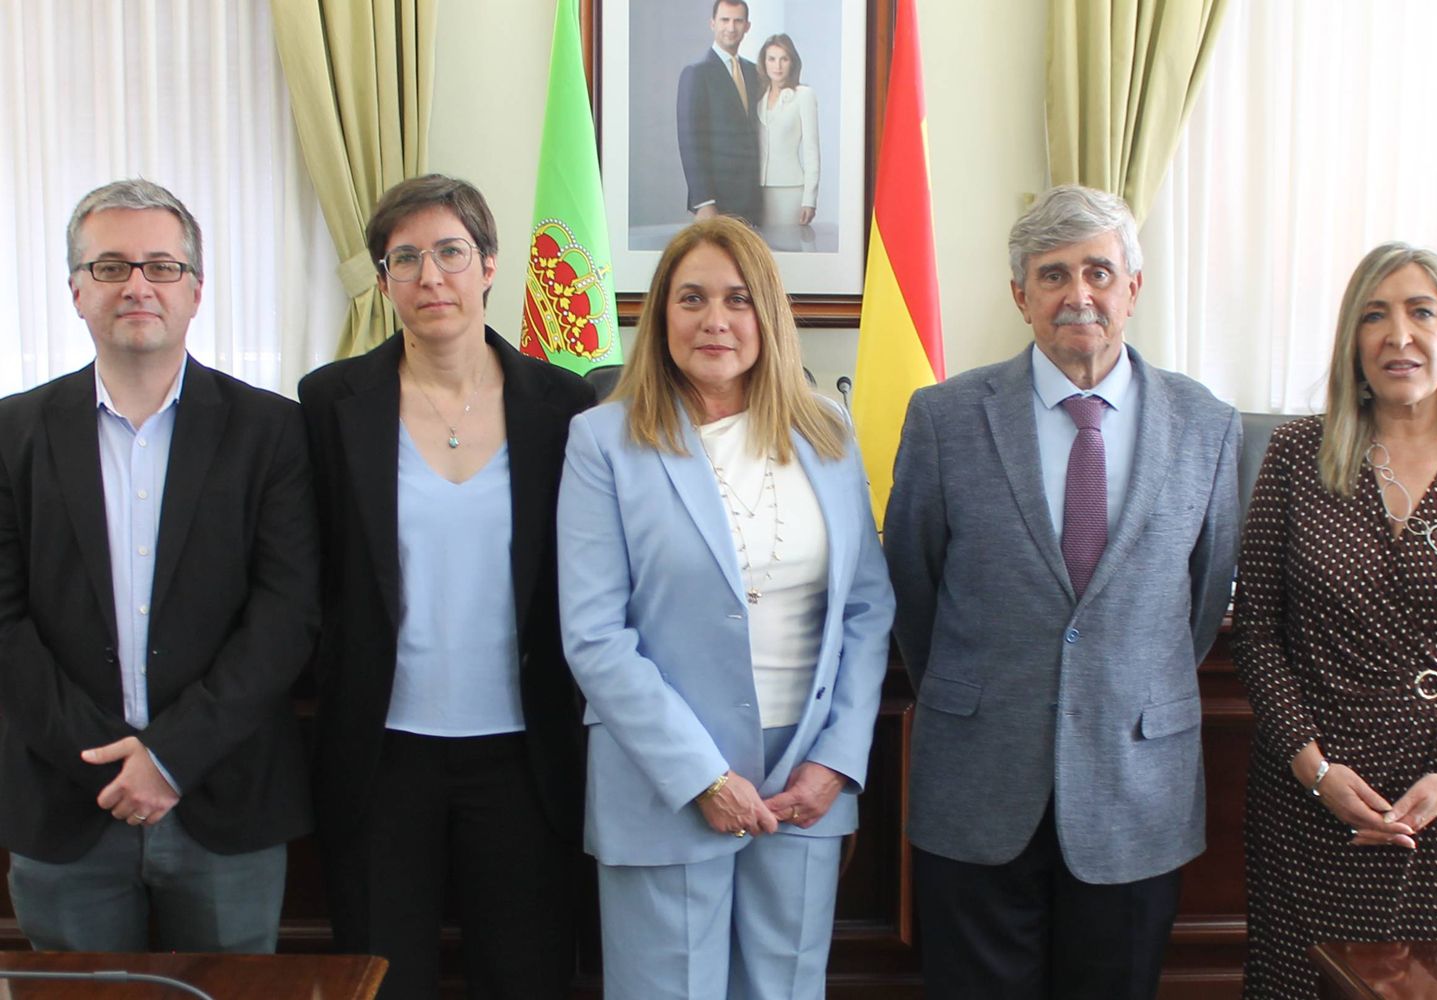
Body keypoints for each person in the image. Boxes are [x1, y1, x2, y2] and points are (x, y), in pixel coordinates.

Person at [885, 184, 1242, 999]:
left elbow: (1200, 598)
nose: (1078, 295)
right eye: (1052, 275)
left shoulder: (1206, 425)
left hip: (1134, 790)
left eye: (1098, 272)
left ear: (1133, 288)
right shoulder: (944, 418)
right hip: (978, 787)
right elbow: (913, 585)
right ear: (1020, 296)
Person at [558, 216, 893, 999]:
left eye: (739, 299)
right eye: (692, 298)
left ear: (769, 314)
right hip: (665, 773)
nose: (715, 320)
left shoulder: (828, 432)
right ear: (659, 316)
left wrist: (837, 762)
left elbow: (868, 609)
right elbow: (595, 635)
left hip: (804, 775)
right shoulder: (603, 440)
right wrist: (704, 776)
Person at [0, 179, 318, 952]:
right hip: (67, 803)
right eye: (110, 267)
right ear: (76, 291)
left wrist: (170, 757)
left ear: (196, 290)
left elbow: (286, 616)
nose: (138, 284)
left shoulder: (271, 431)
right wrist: (110, 766)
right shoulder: (12, 434)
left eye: (161, 267)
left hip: (224, 801)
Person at [299, 174, 594, 999]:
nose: (431, 277)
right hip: (381, 755)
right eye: (406, 258)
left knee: (526, 977)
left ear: (490, 264)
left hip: (526, 756)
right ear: (385, 279)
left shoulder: (563, 404)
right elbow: (309, 572)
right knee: (384, 982)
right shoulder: (332, 403)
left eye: (451, 253)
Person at [1234, 242, 1437, 998]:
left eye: (1422, 312)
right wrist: (1313, 768)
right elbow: (1255, 628)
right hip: (1308, 800)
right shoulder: (1295, 453)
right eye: (1375, 316)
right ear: (1353, 340)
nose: (1399, 336)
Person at [677, 0, 763, 225]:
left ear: (747, 26)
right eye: (725, 20)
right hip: (716, 200)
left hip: (753, 200)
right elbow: (690, 141)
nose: (731, 27)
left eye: (738, 21)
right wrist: (704, 201)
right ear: (712, 23)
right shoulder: (696, 73)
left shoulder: (755, 72)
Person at [755, 33, 819, 230]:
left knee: (789, 249)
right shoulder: (758, 96)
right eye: (772, 59)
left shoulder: (803, 95)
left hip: (790, 190)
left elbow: (811, 150)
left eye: (784, 59)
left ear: (792, 62)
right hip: (757, 190)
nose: (778, 66)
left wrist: (809, 199)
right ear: (764, 62)